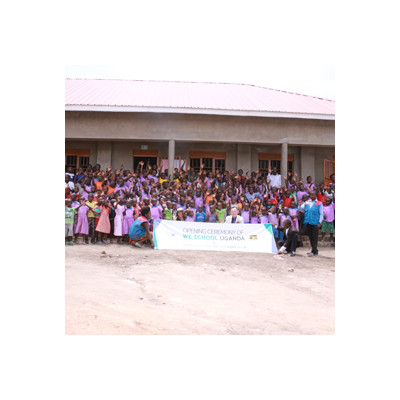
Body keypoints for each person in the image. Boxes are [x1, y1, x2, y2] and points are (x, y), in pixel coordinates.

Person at [298, 190, 323, 256]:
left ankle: (314, 251)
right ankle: (314, 250)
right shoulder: (306, 202)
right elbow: (301, 209)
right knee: (311, 237)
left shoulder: (319, 203)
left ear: (315, 195)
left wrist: (319, 222)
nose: (311, 196)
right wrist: (299, 205)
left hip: (315, 223)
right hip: (308, 222)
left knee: (314, 237)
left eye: (313, 195)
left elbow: (321, 214)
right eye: (310, 195)